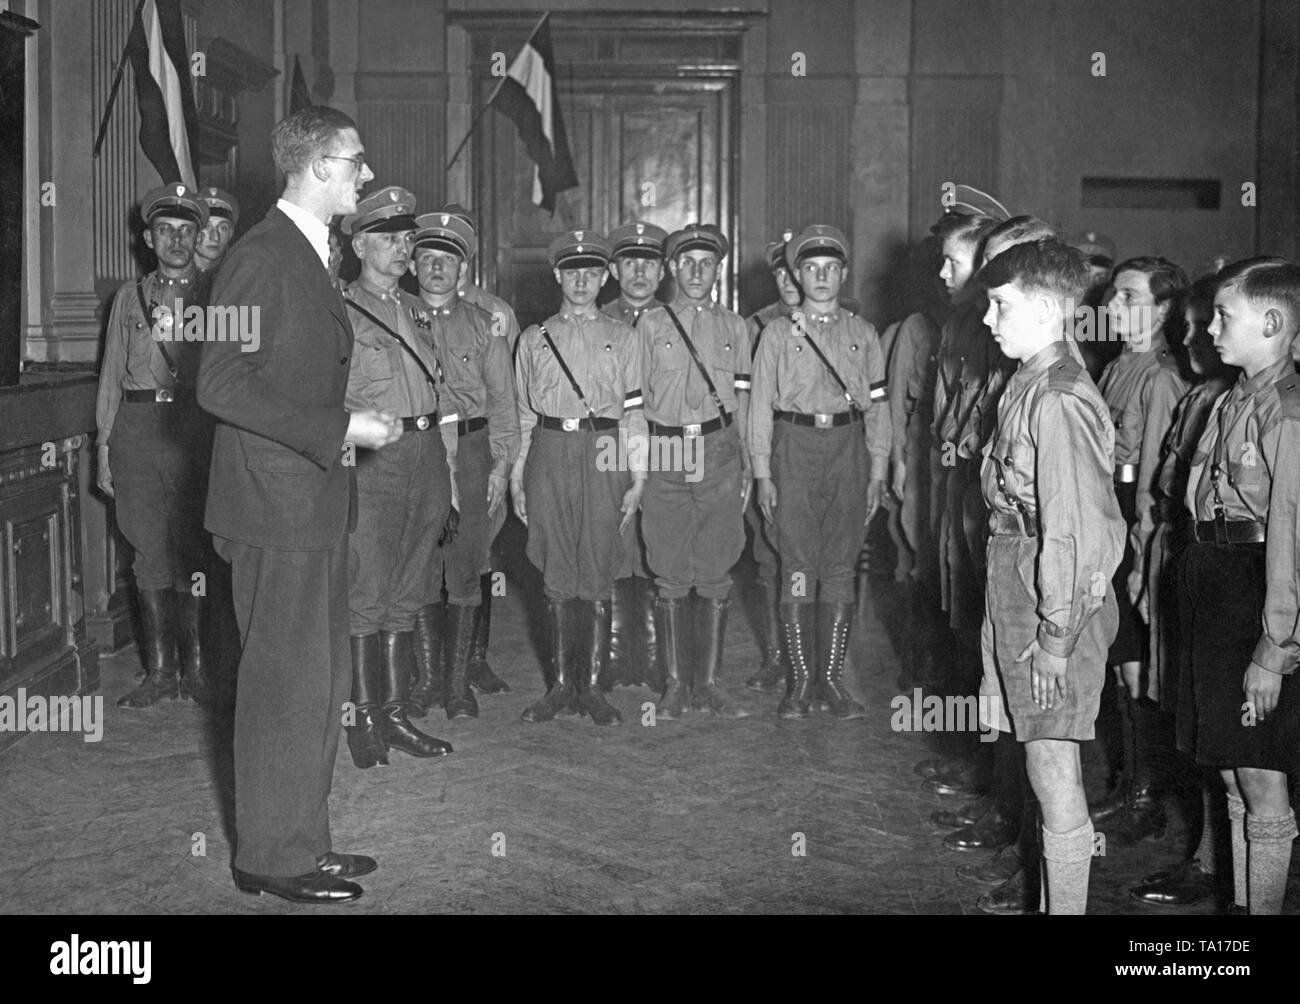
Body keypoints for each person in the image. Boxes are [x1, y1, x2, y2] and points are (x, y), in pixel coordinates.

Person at [198, 105, 391, 904]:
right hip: (273, 512)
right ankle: (270, 857)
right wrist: (338, 427)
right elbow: (217, 383)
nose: (364, 175)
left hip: (309, 505)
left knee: (316, 681)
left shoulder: (308, 255)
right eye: (353, 161)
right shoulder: (258, 259)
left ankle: (304, 840)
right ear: (314, 166)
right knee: (282, 685)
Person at [976, 237, 1125, 914]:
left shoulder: (1059, 396)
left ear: (1041, 307)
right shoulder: (1029, 381)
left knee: (1056, 767)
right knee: (1041, 761)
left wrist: (1058, 636)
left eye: (999, 305)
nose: (987, 319)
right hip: (1020, 574)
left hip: (1053, 591)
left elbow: (1075, 530)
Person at [1178, 256, 1300, 914]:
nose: (1210, 329)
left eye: (1226, 316)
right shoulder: (1233, 396)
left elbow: (1292, 534)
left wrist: (1272, 650)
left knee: (1260, 775)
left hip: (1259, 592)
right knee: (1228, 766)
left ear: (1274, 323)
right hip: (1219, 581)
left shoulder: (1288, 409)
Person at [750, 224, 890, 720]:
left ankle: (831, 680)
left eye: (831, 269)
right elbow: (760, 409)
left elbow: (878, 408)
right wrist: (763, 473)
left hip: (849, 448)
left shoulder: (864, 333)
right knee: (797, 565)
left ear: (844, 273)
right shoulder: (774, 334)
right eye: (811, 269)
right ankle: (800, 681)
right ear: (796, 274)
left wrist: (877, 470)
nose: (822, 277)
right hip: (795, 447)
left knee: (840, 564)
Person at [338, 187, 457, 765]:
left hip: (427, 450)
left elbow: (442, 392)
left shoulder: (417, 309)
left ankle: (395, 713)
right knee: (366, 587)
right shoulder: (338, 309)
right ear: (357, 243)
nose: (402, 248)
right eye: (387, 237)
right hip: (374, 458)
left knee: (410, 589)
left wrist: (450, 476)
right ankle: (362, 716)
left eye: (407, 237)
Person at [1129, 274, 1236, 907]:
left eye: (1206, 324)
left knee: (1223, 736)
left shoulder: (1248, 402)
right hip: (1182, 557)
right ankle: (1204, 855)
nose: (1194, 338)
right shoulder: (1204, 396)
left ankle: (1220, 867)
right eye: (1190, 326)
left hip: (1224, 577)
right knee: (1191, 722)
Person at [511, 230, 647, 727]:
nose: (582, 281)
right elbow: (524, 417)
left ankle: (591, 687)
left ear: (606, 276)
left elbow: (634, 416)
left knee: (598, 559)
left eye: (592, 272)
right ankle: (560, 686)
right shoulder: (533, 339)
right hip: (549, 448)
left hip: (605, 447)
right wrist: (518, 479)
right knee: (553, 563)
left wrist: (638, 477)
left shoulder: (627, 338)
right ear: (557, 276)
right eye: (573, 272)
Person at [97, 183, 214, 709]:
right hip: (137, 430)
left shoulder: (218, 296)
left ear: (198, 237)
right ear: (149, 238)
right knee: (146, 547)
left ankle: (198, 669)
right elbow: (110, 379)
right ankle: (160, 672)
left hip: (192, 430)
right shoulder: (129, 297)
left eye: (186, 231)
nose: (175, 240)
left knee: (195, 547)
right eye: (165, 230)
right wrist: (104, 445)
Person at [406, 210, 520, 719]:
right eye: (427, 258)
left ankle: (457, 684)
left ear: (463, 269)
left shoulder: (484, 327)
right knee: (422, 565)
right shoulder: (397, 319)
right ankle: (427, 681)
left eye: (446, 260)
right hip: (419, 450)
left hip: (473, 453)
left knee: (467, 565)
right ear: (412, 265)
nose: (436, 269)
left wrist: (499, 469)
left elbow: (504, 405)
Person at [1092, 256, 1189, 848]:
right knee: (1119, 656)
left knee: (1137, 665)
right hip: (1111, 509)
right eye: (1113, 297)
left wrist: (1139, 550)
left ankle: (1147, 796)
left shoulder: (1159, 375)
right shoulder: (1118, 366)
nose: (1113, 308)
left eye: (1130, 298)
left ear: (1165, 310)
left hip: (1135, 517)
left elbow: (1154, 474)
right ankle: (1129, 786)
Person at [637, 223, 751, 718]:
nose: (698, 270)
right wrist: (636, 467)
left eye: (707, 262)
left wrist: (746, 462)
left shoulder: (736, 327)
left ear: (718, 269)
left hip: (718, 447)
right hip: (665, 449)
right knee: (668, 567)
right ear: (671, 268)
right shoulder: (650, 325)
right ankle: (675, 685)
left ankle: (709, 683)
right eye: (687, 262)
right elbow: (634, 405)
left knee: (716, 565)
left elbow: (743, 400)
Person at [436, 202, 519, 696]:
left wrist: (504, 463)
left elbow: (505, 392)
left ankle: (475, 659)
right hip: (435, 444)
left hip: (479, 443)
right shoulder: (411, 307)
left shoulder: (494, 313)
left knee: (479, 551)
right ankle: (440, 668)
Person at [601, 220, 670, 692]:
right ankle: (609, 656)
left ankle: (649, 657)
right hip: (610, 443)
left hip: (667, 443)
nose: (639, 271)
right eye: (630, 262)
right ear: (612, 269)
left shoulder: (678, 320)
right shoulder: (599, 318)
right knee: (612, 540)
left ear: (663, 270)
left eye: (649, 262)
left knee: (656, 541)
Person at [743, 231, 800, 693]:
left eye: (792, 269)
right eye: (778, 271)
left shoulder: (847, 320)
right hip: (768, 445)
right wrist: (751, 464)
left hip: (815, 449)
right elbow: (746, 403)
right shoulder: (757, 325)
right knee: (768, 555)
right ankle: (777, 655)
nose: (787, 279)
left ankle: (812, 661)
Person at [194, 186, 239, 279]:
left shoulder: (238, 277)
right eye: (206, 226)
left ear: (231, 233)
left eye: (223, 228)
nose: (215, 237)